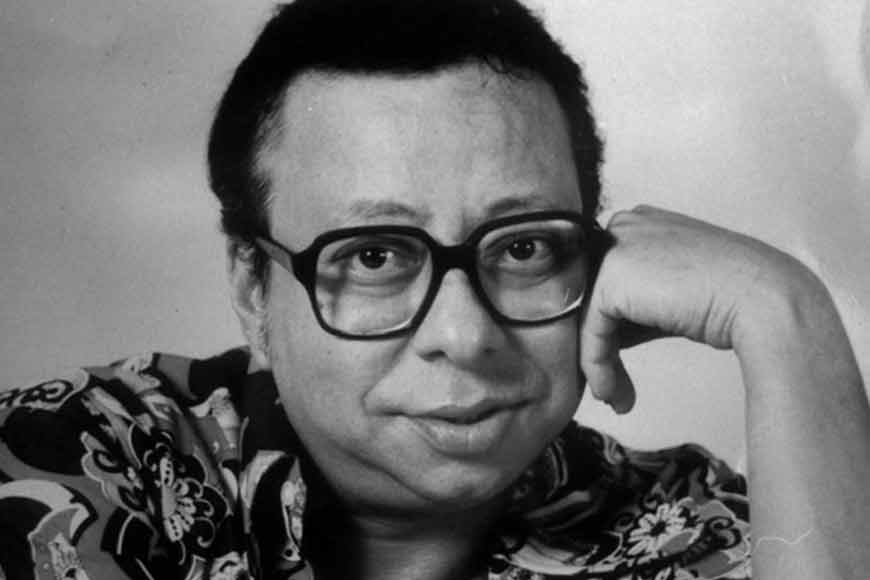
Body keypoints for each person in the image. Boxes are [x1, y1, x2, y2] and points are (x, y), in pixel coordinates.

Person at [1, 0, 868, 578]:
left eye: (523, 246)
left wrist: (785, 313)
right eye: (375, 256)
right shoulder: (77, 462)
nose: (464, 334)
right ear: (254, 290)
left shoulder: (688, 522)